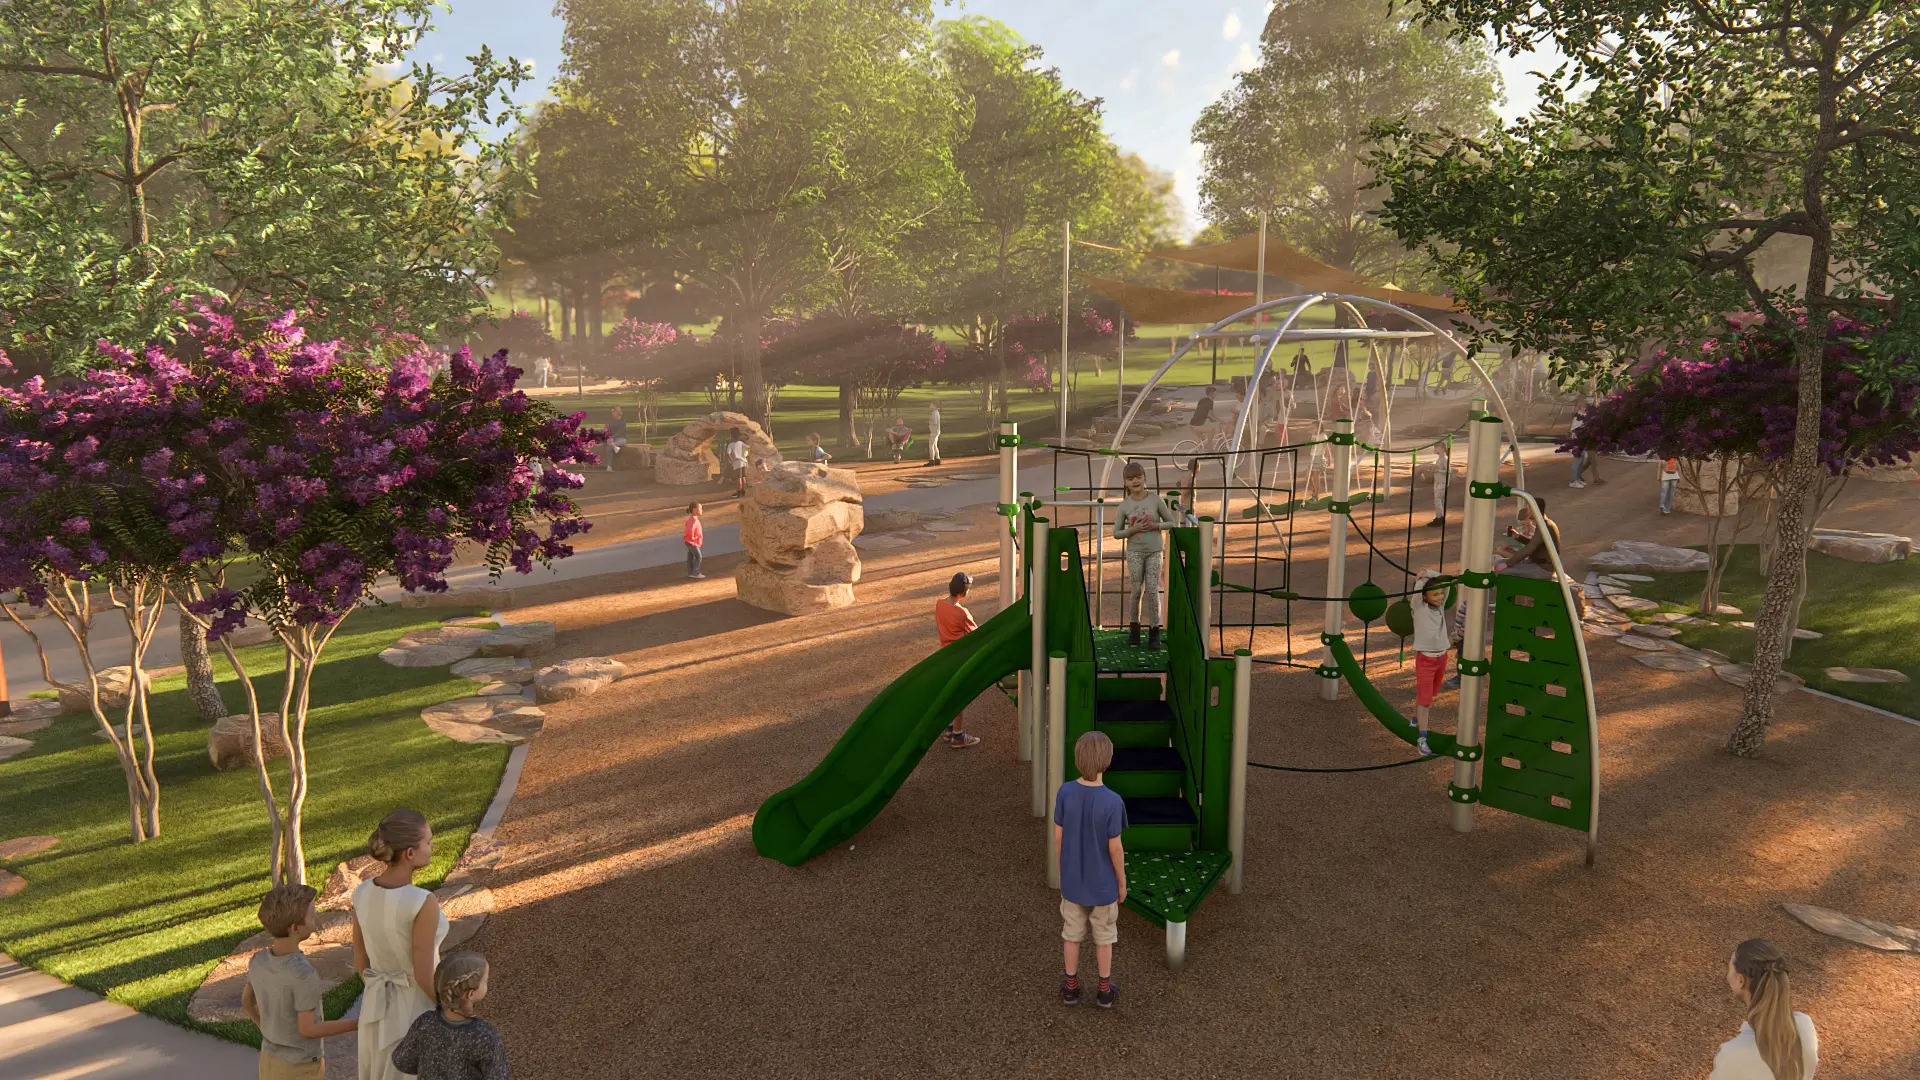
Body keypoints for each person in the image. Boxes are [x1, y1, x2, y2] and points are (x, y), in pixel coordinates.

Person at [354, 809, 447, 1080]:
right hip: (416, 1008)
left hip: (375, 1007)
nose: (432, 847)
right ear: (409, 853)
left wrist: (379, 991)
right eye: (428, 842)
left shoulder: (361, 892)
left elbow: (360, 959)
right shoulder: (422, 901)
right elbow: (424, 975)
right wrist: (451, 1011)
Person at [244, 884, 358, 1080]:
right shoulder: (303, 974)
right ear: (295, 928)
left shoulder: (258, 960)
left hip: (269, 1060)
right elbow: (308, 1029)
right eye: (312, 916)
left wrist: (267, 1031)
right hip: (300, 1068)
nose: (316, 918)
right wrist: (357, 1024)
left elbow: (247, 1002)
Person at [1054, 731, 1127, 1009]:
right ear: (1107, 760)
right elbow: (1115, 848)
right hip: (1103, 885)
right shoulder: (1113, 801)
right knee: (1104, 938)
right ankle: (1104, 990)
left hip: (1073, 881)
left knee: (1071, 935)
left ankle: (1071, 987)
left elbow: (1058, 837)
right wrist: (1121, 882)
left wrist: (1062, 870)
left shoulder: (1065, 793)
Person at [1709, 939, 1818, 1080]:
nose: (1727, 975)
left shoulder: (1732, 1055)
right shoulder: (1805, 1026)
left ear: (1741, 981)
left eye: (1729, 968)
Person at [390, 953, 510, 1080]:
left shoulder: (425, 1022)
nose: (487, 983)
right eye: (485, 981)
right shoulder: (484, 1035)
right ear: (470, 994)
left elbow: (402, 1061)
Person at [1113, 461, 1179, 649]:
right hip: (1135, 551)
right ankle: (1134, 630)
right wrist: (1132, 530)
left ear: (1144, 478)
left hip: (1154, 551)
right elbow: (1116, 533)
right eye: (1130, 479)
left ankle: (1154, 631)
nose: (1135, 481)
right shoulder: (1124, 506)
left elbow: (1171, 522)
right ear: (1125, 483)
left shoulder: (1155, 500)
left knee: (1152, 589)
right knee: (1136, 590)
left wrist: (1156, 526)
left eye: (1138, 477)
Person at [1408, 571, 1457, 757]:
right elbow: (1419, 589)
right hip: (1426, 660)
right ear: (1424, 596)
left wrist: (1431, 573)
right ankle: (1422, 738)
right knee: (1426, 702)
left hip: (1441, 658)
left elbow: (1447, 584)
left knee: (1430, 694)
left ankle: (1415, 719)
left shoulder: (1440, 607)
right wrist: (1423, 577)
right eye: (1435, 594)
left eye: (1440, 594)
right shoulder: (1419, 607)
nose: (1440, 597)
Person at [934, 572, 980, 748]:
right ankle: (958, 735)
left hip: (944, 656)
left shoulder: (940, 605)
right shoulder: (962, 613)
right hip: (958, 659)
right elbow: (976, 634)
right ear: (964, 593)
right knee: (959, 697)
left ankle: (949, 728)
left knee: (948, 693)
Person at [1427, 442, 1453, 528]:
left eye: (1436, 447)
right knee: (1438, 500)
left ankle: (1439, 518)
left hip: (1442, 482)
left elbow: (1449, 471)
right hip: (1438, 481)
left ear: (1441, 448)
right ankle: (1440, 517)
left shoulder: (1444, 458)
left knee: (1438, 500)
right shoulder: (1440, 458)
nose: (1434, 449)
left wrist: (1438, 470)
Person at [683, 502, 705, 580]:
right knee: (698, 557)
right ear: (695, 510)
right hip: (692, 542)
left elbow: (687, 525)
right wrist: (692, 537)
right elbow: (690, 529)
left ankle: (691, 572)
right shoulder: (694, 520)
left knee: (690, 556)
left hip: (689, 541)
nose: (702, 510)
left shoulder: (692, 519)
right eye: (700, 509)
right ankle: (695, 573)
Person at [603, 406, 628, 472]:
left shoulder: (623, 421)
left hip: (621, 439)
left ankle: (609, 467)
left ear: (618, 411)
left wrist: (612, 437)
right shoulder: (610, 421)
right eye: (612, 412)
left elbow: (620, 431)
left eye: (614, 411)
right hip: (611, 439)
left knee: (608, 446)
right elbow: (606, 430)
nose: (613, 413)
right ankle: (615, 447)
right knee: (607, 444)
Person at [725, 430, 749, 498]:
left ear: (732, 436)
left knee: (738, 478)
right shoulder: (741, 443)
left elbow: (728, 453)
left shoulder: (731, 444)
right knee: (743, 477)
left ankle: (738, 492)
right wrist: (745, 455)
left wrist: (732, 460)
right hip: (744, 462)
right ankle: (743, 492)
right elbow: (748, 447)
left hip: (737, 462)